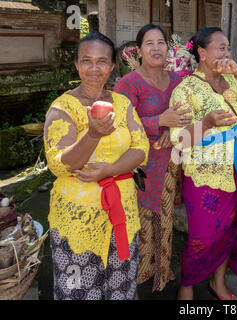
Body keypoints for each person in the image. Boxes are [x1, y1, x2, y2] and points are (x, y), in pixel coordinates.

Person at [44, 32, 150, 300]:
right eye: (86, 61)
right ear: (77, 65)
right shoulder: (63, 108)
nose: (94, 68)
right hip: (78, 219)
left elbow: (141, 148)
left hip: (121, 213)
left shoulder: (122, 104)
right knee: (79, 291)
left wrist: (110, 170)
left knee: (119, 287)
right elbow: (59, 166)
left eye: (101, 61)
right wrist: (92, 135)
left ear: (112, 66)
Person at [169, 27, 237, 300]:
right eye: (220, 47)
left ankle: (219, 282)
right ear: (202, 53)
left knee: (229, 230)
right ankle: (187, 286)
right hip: (203, 174)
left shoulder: (233, 80)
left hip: (236, 169)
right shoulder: (186, 89)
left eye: (228, 48)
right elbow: (178, 140)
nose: (226, 53)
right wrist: (207, 122)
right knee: (201, 237)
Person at [114, 24, 191, 292]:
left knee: (166, 216)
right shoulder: (127, 83)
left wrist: (171, 128)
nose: (156, 47)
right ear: (139, 50)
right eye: (149, 43)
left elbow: (186, 115)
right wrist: (159, 120)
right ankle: (139, 271)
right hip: (139, 165)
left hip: (169, 163)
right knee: (141, 218)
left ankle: (161, 267)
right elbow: (121, 125)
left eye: (161, 42)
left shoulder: (178, 82)